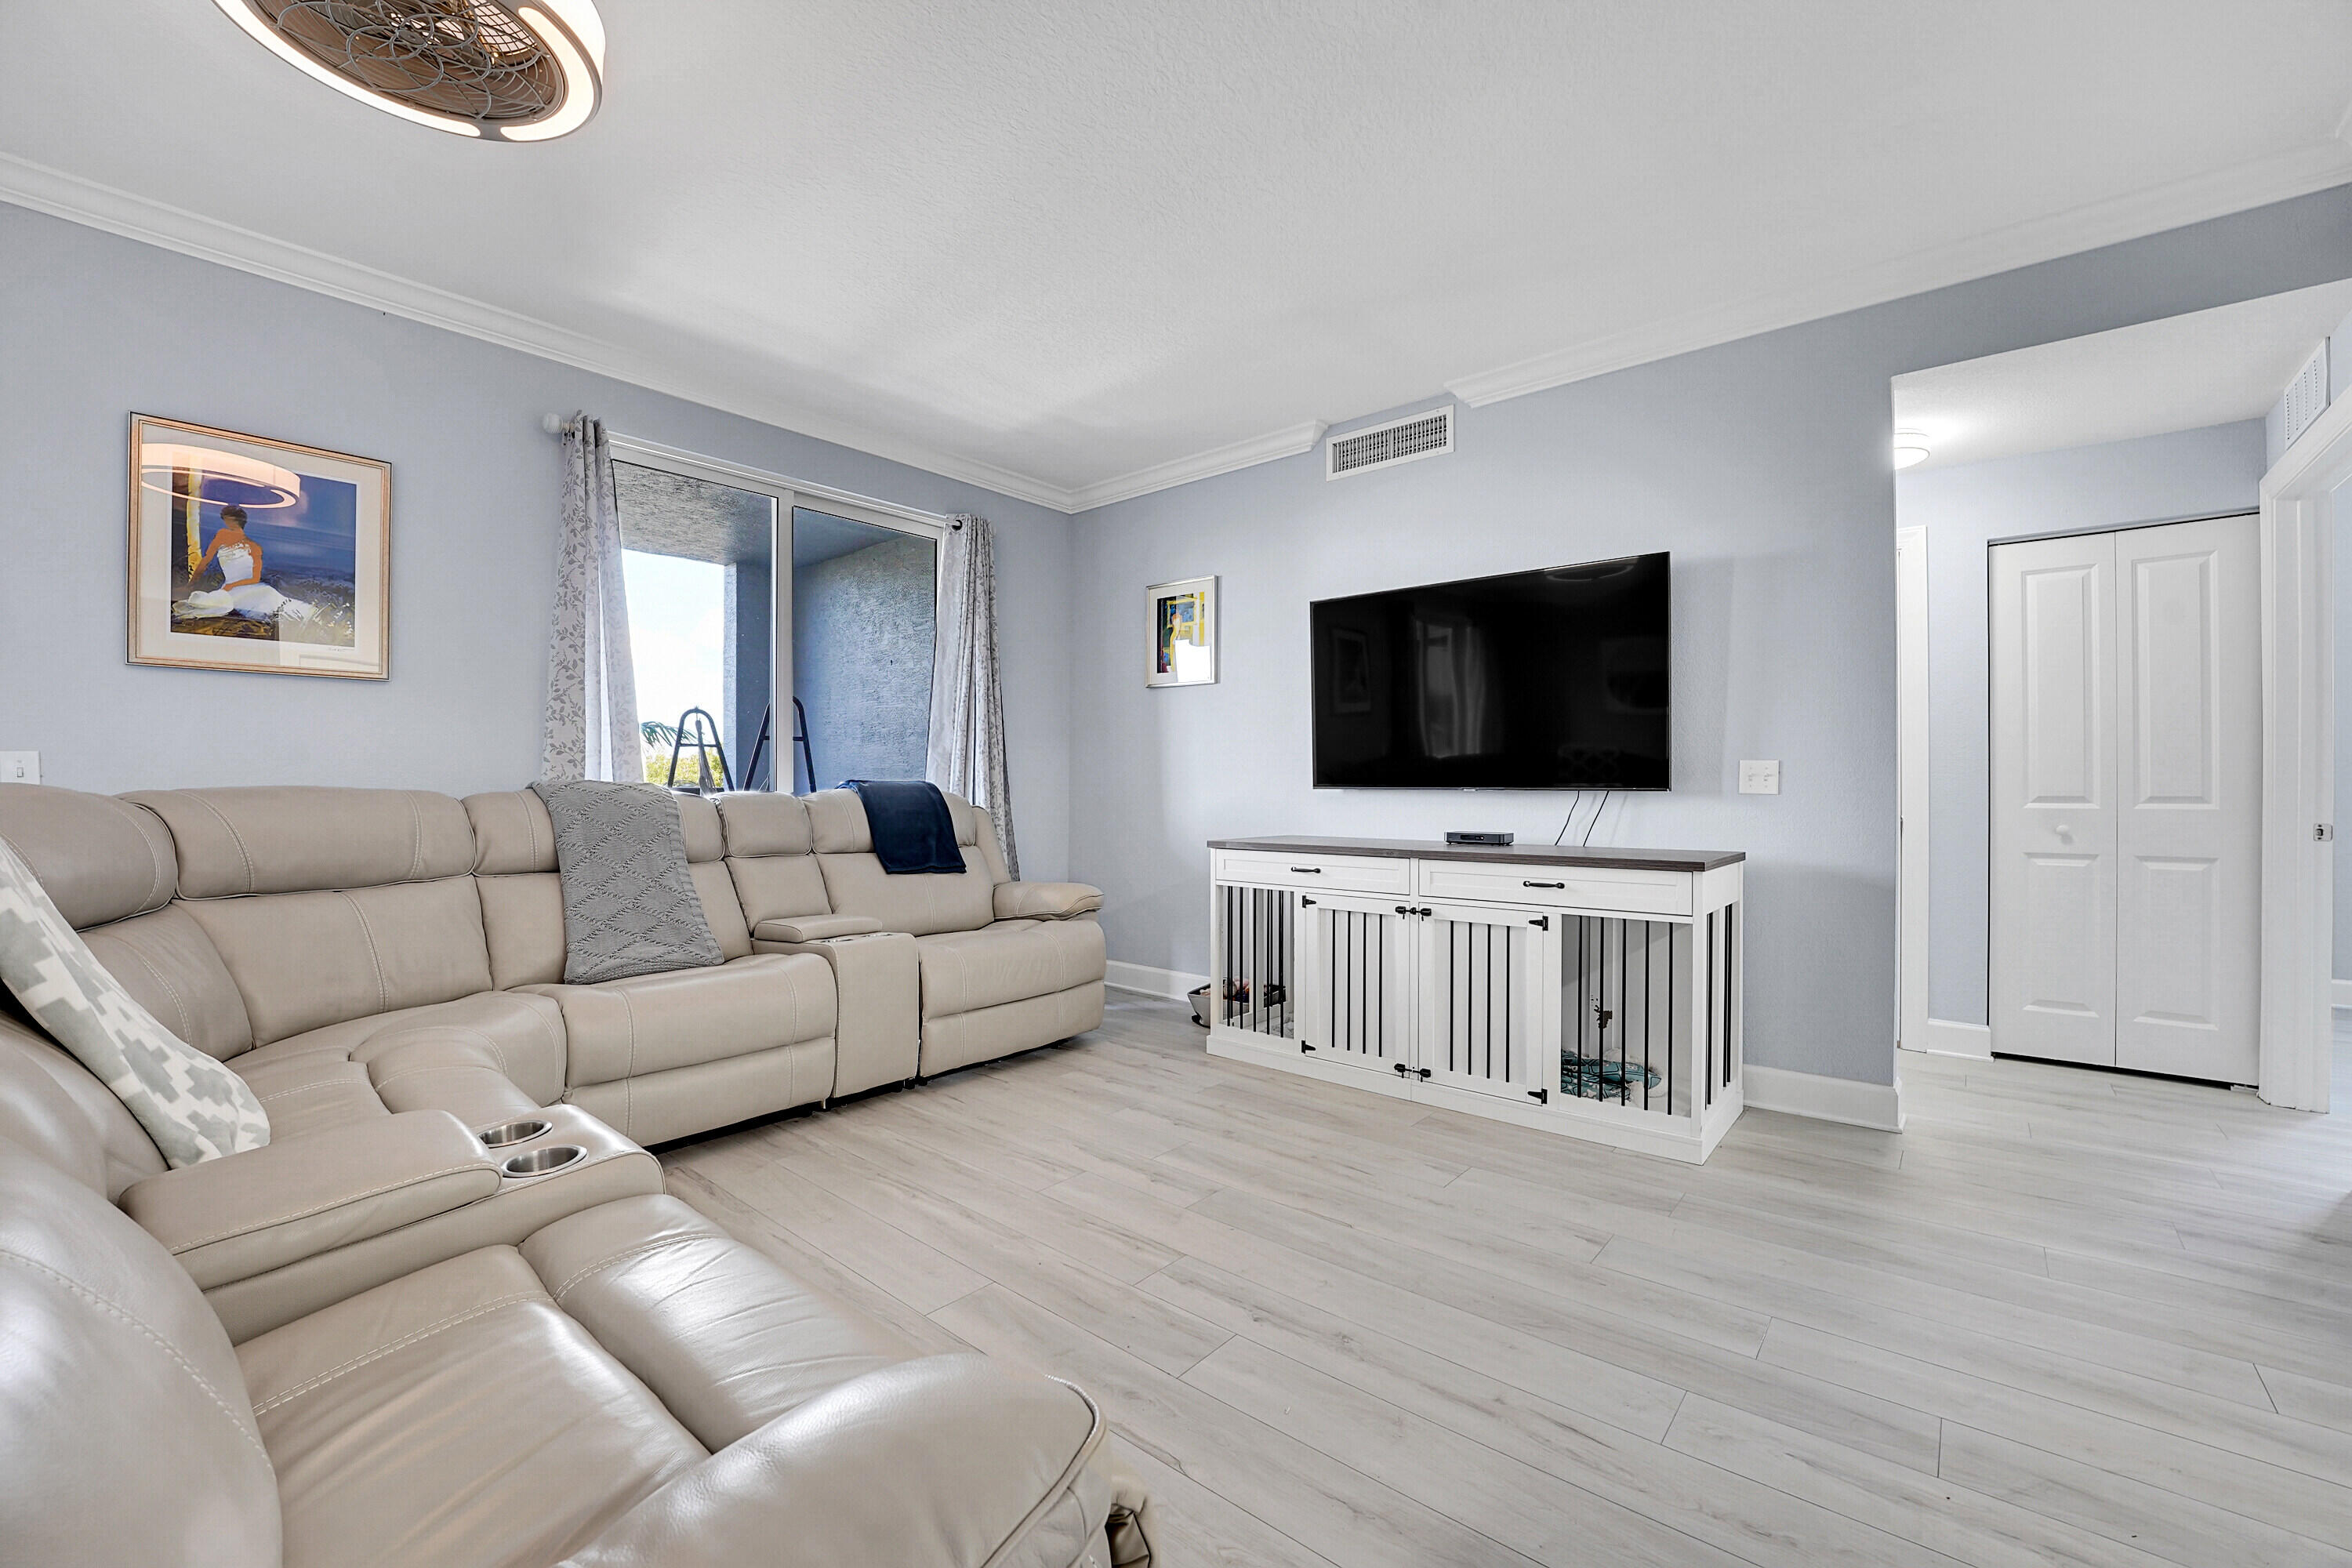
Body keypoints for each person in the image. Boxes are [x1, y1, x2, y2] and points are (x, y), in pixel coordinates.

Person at [180, 504, 312, 623]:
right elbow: (206, 561)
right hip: (232, 591)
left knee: (268, 594)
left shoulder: (254, 547)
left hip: (249, 588)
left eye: (231, 520)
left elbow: (255, 578)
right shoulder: (223, 536)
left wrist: (232, 585)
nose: (229, 523)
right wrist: (191, 584)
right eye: (228, 519)